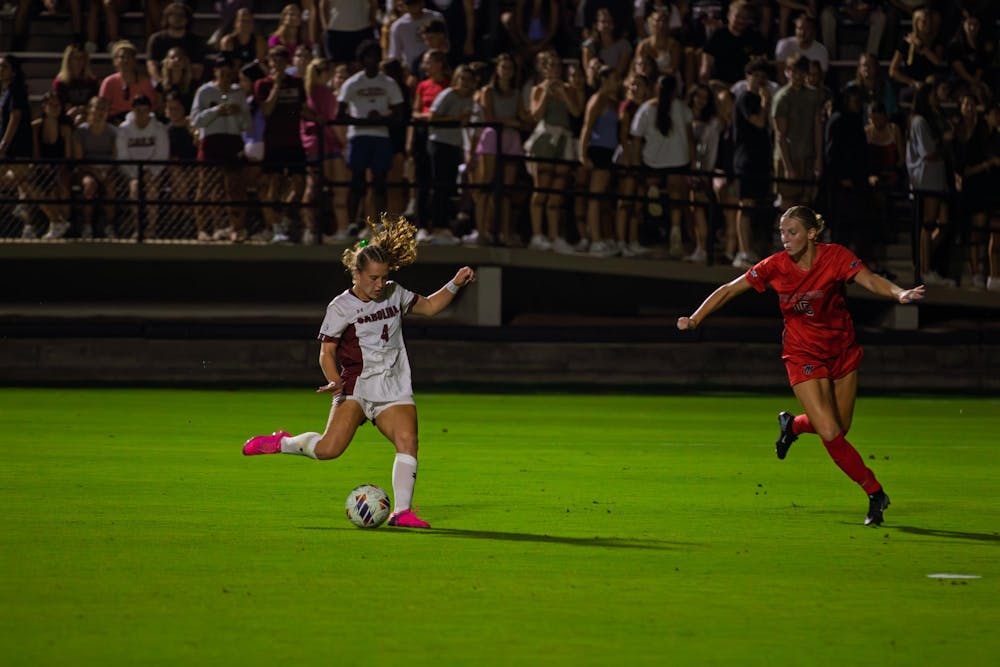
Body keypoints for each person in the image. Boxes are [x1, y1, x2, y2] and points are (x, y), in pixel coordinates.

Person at [677, 205, 925, 526]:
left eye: (792, 232)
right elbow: (729, 289)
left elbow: (870, 279)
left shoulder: (835, 257)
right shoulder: (775, 266)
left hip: (842, 350)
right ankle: (875, 492)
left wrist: (899, 293)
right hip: (802, 354)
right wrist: (696, 318)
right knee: (830, 432)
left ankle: (792, 425)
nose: (785, 239)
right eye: (781, 232)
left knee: (840, 427)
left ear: (811, 234)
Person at [242, 214, 477, 530]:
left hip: (393, 384)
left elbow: (431, 307)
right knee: (328, 450)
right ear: (356, 273)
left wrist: (454, 283)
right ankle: (283, 442)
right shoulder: (341, 307)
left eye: (383, 277)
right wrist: (334, 379)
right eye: (373, 279)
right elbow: (327, 352)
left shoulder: (395, 292)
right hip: (356, 386)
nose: (380, 285)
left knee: (408, 440)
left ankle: (402, 512)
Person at [338, 40, 405, 233]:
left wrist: (382, 118)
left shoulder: (388, 83)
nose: (372, 61)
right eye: (368, 57)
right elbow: (340, 114)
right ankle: (352, 223)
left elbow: (399, 113)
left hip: (381, 137)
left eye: (375, 57)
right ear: (361, 59)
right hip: (358, 137)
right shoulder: (352, 83)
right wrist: (361, 120)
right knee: (357, 180)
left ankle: (379, 224)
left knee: (380, 182)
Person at [191, 52, 251, 242]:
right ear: (215, 72)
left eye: (228, 72)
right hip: (211, 142)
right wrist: (216, 111)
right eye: (221, 72)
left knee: (235, 187)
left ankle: (236, 228)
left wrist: (238, 112)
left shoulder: (238, 93)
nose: (225, 76)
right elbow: (195, 120)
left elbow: (246, 124)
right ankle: (203, 229)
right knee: (207, 186)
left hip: (232, 142)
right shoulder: (204, 92)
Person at [146, 2, 206, 86]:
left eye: (181, 15)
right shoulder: (156, 39)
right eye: (173, 15)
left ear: (187, 19)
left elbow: (197, 68)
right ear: (167, 17)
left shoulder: (195, 41)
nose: (178, 18)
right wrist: (160, 82)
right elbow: (152, 64)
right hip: (162, 82)